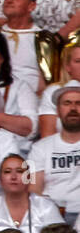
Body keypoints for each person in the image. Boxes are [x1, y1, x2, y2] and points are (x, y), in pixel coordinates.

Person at [28, 84, 80, 220]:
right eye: (67, 103)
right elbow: (34, 189)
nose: (73, 108)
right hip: (52, 217)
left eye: (78, 103)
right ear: (57, 110)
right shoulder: (39, 147)